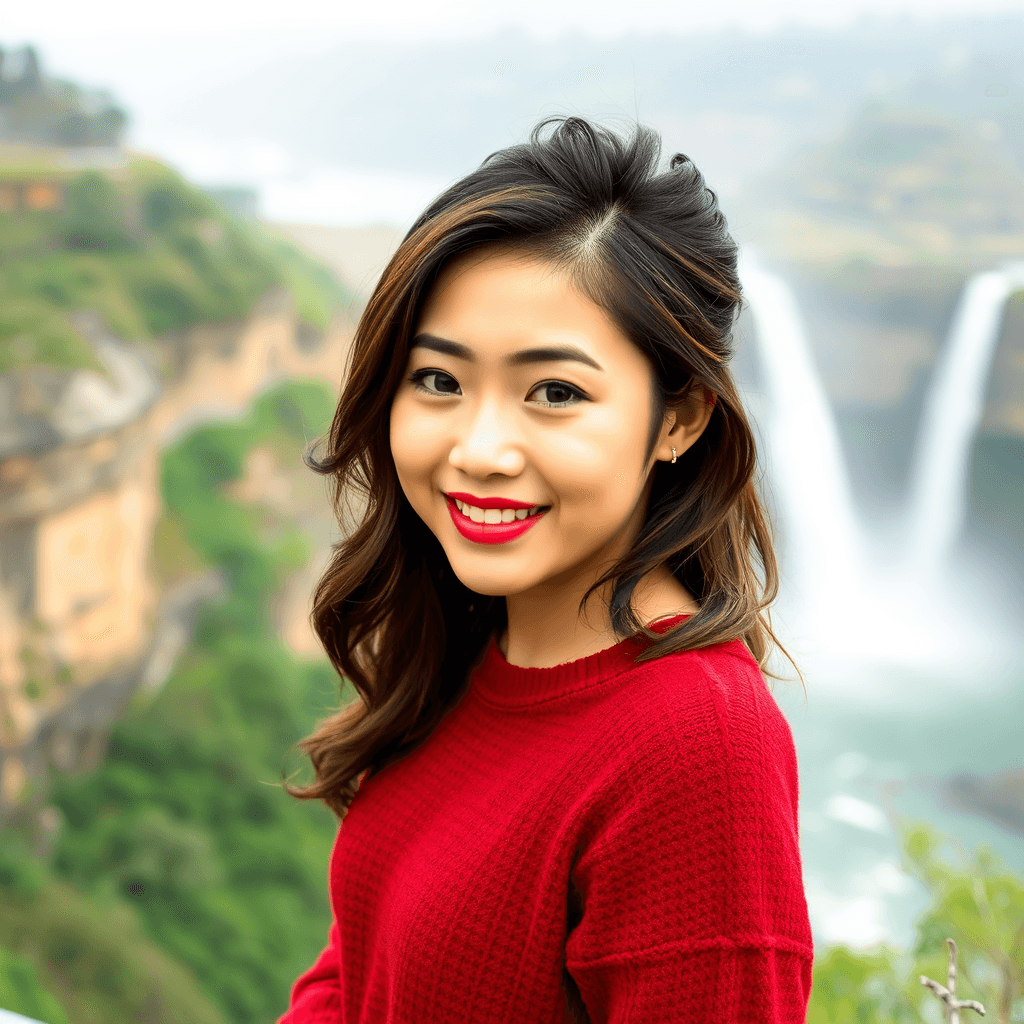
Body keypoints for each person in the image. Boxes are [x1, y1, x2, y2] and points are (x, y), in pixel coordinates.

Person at [277, 115, 813, 1023]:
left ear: (680, 418)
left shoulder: (695, 745)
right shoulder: (467, 646)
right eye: (439, 381)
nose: (480, 450)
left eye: (554, 393)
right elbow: (358, 974)